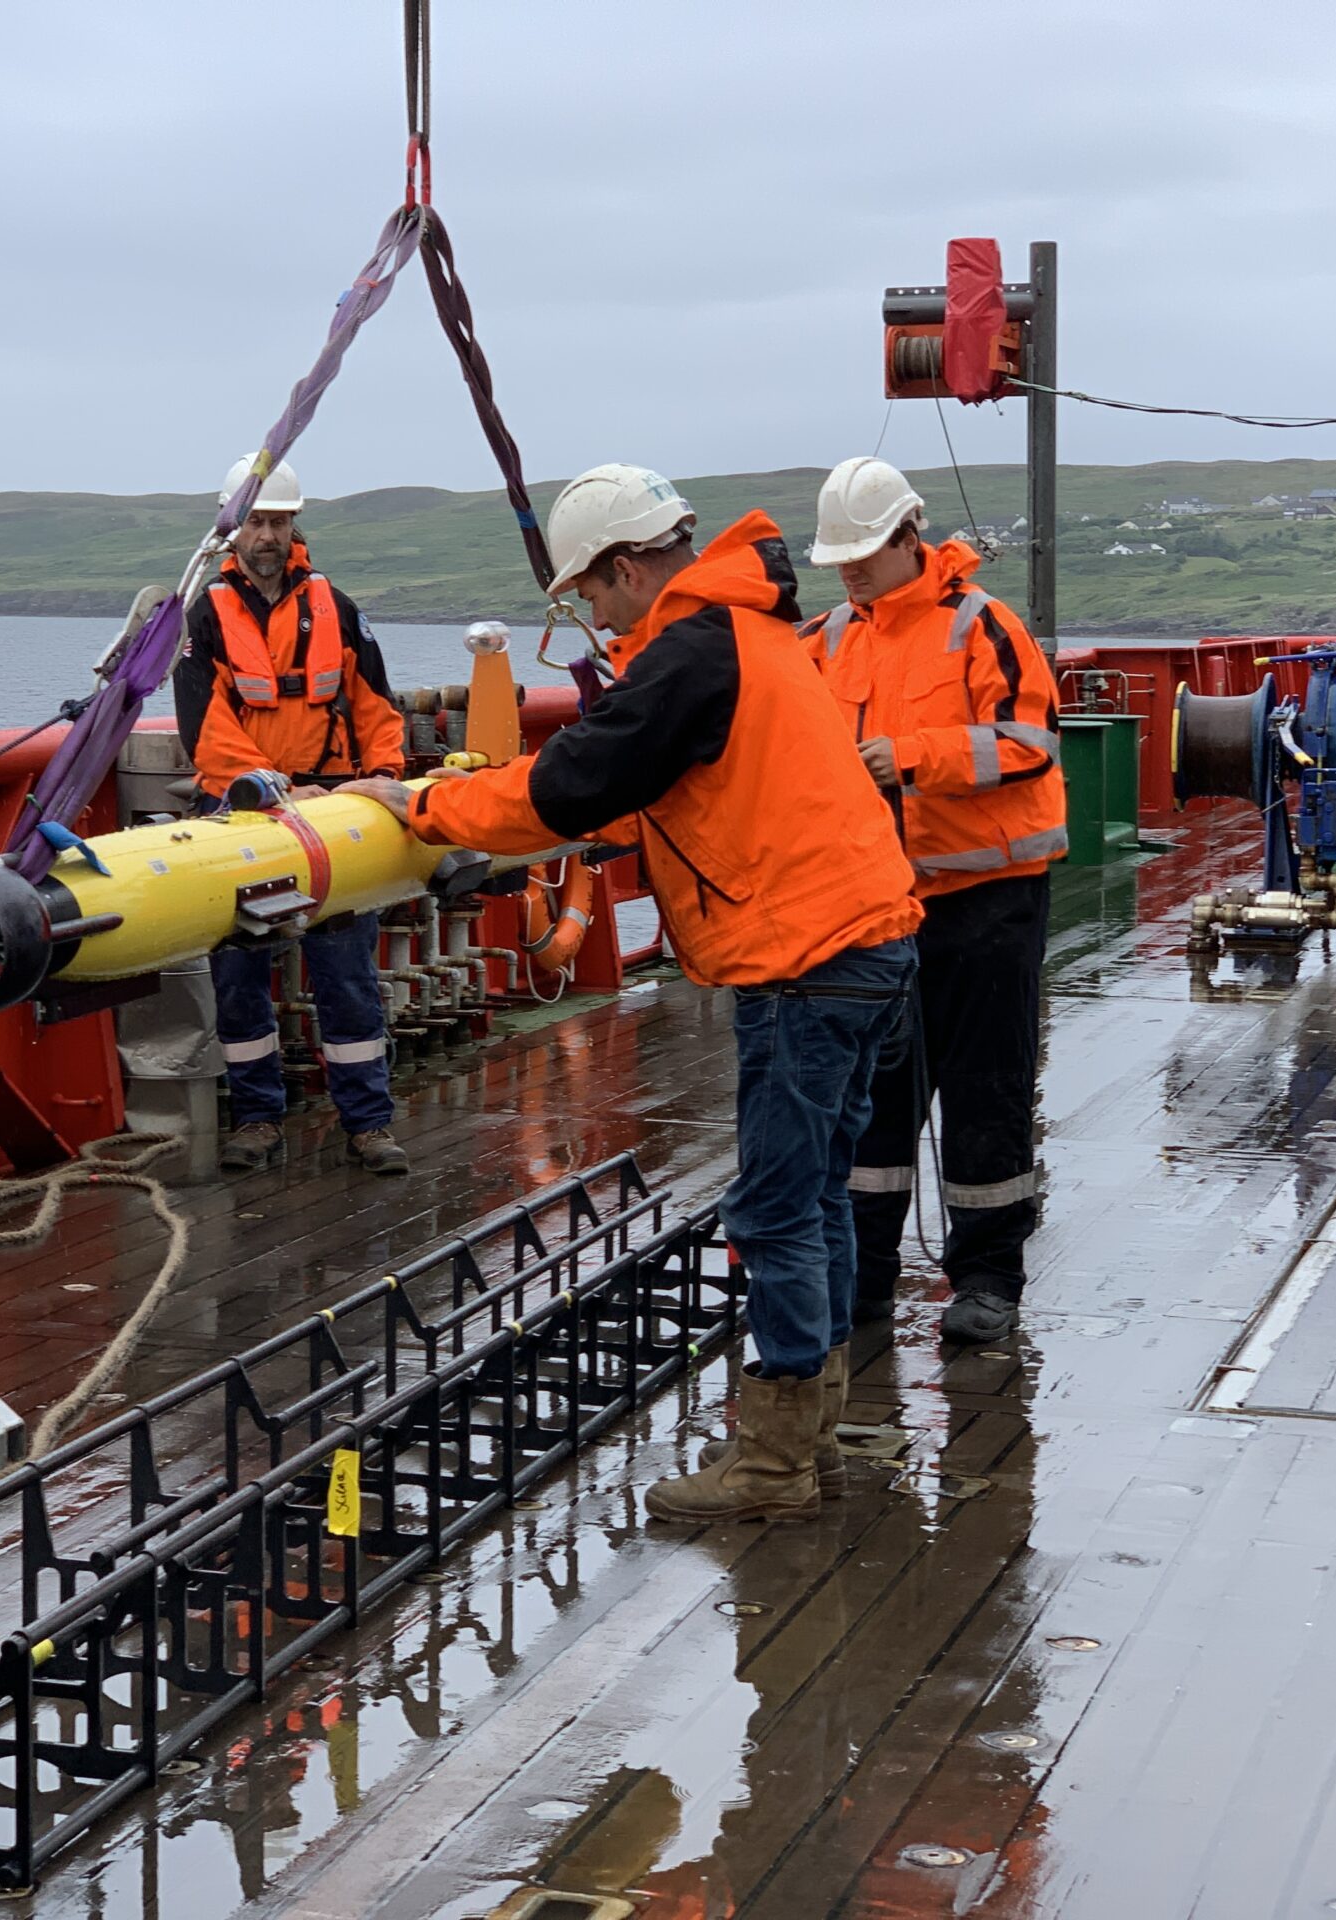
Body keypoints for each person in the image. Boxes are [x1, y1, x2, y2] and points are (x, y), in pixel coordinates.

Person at [342, 465, 920, 1523]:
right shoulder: (745, 633)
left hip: (806, 958)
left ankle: (778, 1464)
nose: (593, 622)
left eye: (590, 600)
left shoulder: (693, 651)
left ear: (623, 569)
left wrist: (422, 805)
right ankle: (814, 1431)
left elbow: (565, 787)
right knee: (822, 1194)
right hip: (868, 937)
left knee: (780, 1207)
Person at [798, 457, 1066, 1348]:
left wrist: (914, 756)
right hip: (881, 902)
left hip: (989, 900)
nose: (850, 571)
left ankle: (988, 1278)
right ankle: (864, 1276)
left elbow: (1031, 741)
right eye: (840, 558)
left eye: (864, 554)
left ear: (910, 538)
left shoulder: (983, 626)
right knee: (872, 1094)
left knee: (985, 1089)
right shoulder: (829, 637)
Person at [172, 457, 411, 1177]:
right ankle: (256, 1120)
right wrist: (272, 792)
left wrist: (387, 783)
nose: (268, 534)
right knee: (241, 973)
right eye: (256, 520)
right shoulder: (205, 616)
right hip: (246, 820)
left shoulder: (335, 606)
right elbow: (205, 729)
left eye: (278, 520)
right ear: (232, 528)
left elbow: (375, 704)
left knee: (346, 977)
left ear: (294, 525)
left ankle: (368, 1125)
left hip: (336, 811)